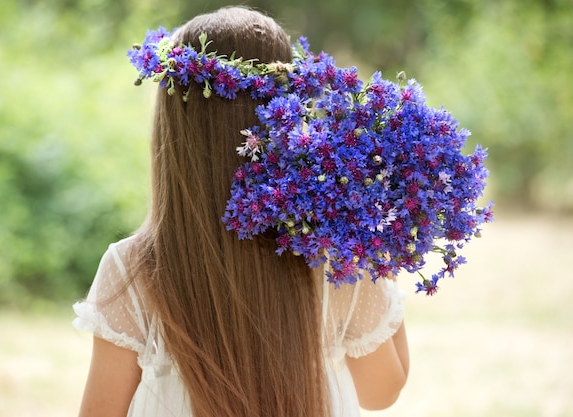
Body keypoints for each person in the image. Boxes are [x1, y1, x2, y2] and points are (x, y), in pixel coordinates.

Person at [73, 6, 409, 417]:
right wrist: (381, 249)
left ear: (172, 130)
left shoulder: (132, 269)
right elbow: (382, 393)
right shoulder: (335, 257)